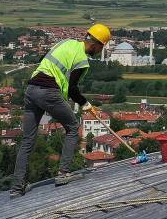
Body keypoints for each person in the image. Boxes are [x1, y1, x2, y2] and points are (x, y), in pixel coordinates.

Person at [10, 23, 111, 196]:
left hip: (31, 90)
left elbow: (47, 63)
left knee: (27, 140)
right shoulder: (82, 60)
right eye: (101, 48)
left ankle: (17, 188)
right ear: (96, 44)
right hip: (48, 92)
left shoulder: (65, 42)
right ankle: (63, 173)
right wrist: (86, 104)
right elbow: (72, 89)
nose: (100, 51)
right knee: (72, 127)